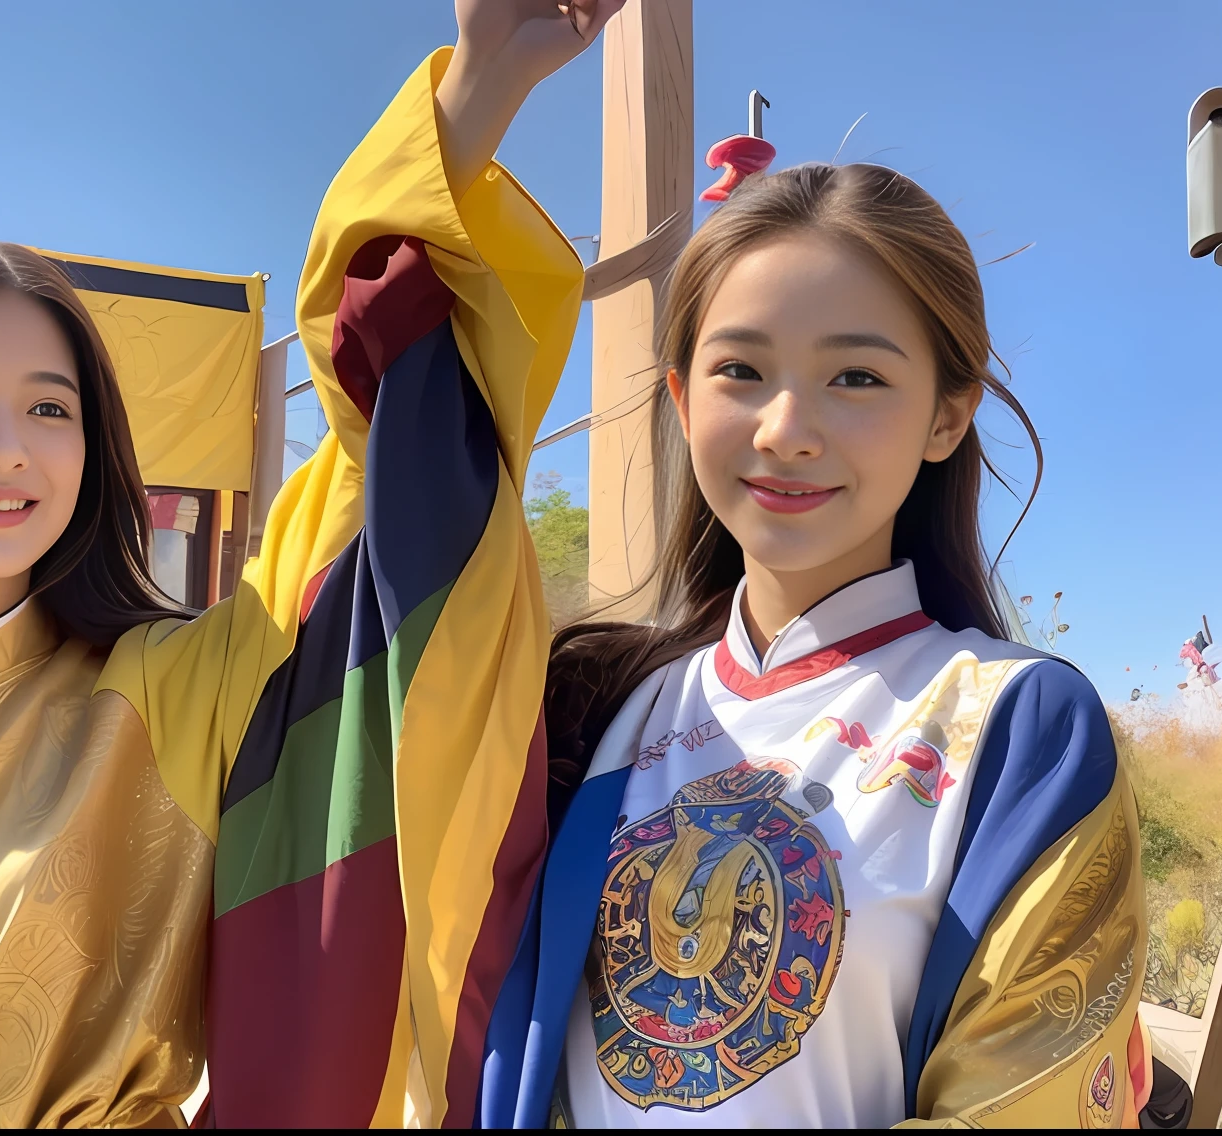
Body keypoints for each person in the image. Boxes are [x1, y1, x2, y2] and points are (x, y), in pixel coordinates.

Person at [0, 0, 616, 1126]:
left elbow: (377, 450)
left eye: (48, 406)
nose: (4, 443)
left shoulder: (175, 690)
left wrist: (475, 90)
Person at [475, 163, 1153, 1127]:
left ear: (946, 418)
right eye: (741, 371)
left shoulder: (1020, 730)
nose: (786, 430)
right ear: (681, 398)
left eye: (857, 377)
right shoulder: (591, 708)